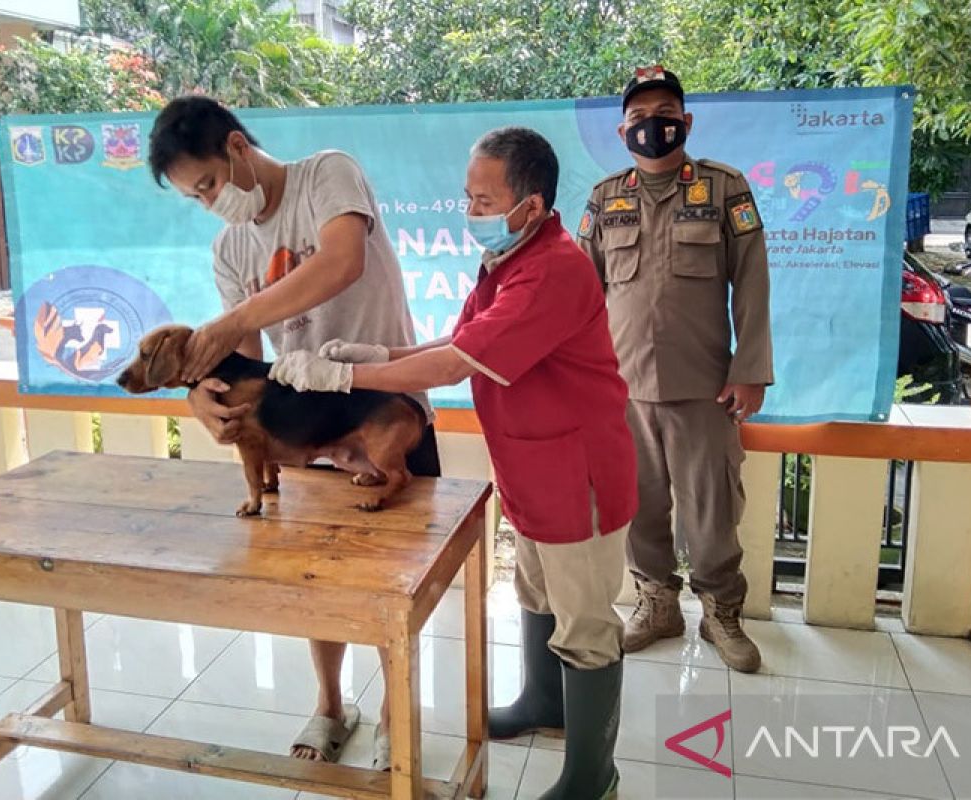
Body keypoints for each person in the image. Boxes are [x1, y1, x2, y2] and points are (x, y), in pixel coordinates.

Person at [270, 127, 637, 800]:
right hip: (530, 465)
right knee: (534, 591)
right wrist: (374, 358)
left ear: (530, 204)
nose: (471, 211)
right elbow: (461, 338)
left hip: (577, 471)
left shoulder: (553, 268)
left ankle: (594, 776)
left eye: (484, 198)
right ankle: (543, 703)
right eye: (467, 197)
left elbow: (456, 363)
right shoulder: (507, 261)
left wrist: (343, 380)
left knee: (585, 622)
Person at [146, 96, 442, 769]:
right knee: (319, 584)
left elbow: (343, 263)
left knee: (396, 584)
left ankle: (398, 706)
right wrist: (202, 395)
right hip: (303, 427)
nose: (210, 204)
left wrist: (226, 323)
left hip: (385, 411)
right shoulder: (230, 248)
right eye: (195, 198)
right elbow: (245, 357)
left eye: (210, 185)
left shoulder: (326, 175)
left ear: (237, 149)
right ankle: (333, 705)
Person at [578, 66, 774, 672]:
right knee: (638, 505)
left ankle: (722, 611)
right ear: (621, 131)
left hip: (704, 388)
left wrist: (750, 370)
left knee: (711, 509)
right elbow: (581, 294)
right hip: (624, 390)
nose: (650, 126)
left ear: (684, 122)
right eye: (637, 118)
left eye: (663, 113)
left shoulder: (723, 189)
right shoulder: (606, 198)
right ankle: (657, 603)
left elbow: (753, 283)